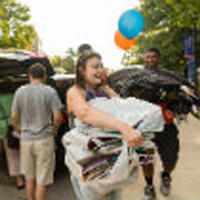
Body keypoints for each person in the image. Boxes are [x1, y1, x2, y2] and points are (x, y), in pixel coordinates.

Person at [66, 50, 143, 200]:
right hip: (87, 161)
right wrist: (124, 128)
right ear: (82, 70)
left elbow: (123, 108)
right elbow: (86, 112)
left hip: (110, 161)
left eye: (101, 66)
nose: (100, 70)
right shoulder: (75, 92)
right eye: (95, 67)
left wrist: (106, 87)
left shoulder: (103, 91)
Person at [11, 63, 62, 200]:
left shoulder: (20, 91)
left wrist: (18, 130)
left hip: (26, 139)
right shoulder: (50, 91)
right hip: (44, 139)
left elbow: (14, 116)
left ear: (29, 76)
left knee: (29, 179)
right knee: (42, 181)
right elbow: (58, 117)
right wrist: (54, 131)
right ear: (44, 76)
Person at [141, 47, 180, 200]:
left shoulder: (167, 77)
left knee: (171, 159)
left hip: (166, 125)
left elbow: (177, 95)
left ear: (159, 59)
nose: (151, 59)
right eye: (148, 56)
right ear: (144, 58)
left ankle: (166, 175)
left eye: (154, 57)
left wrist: (172, 96)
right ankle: (149, 186)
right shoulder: (139, 78)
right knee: (146, 158)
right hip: (146, 126)